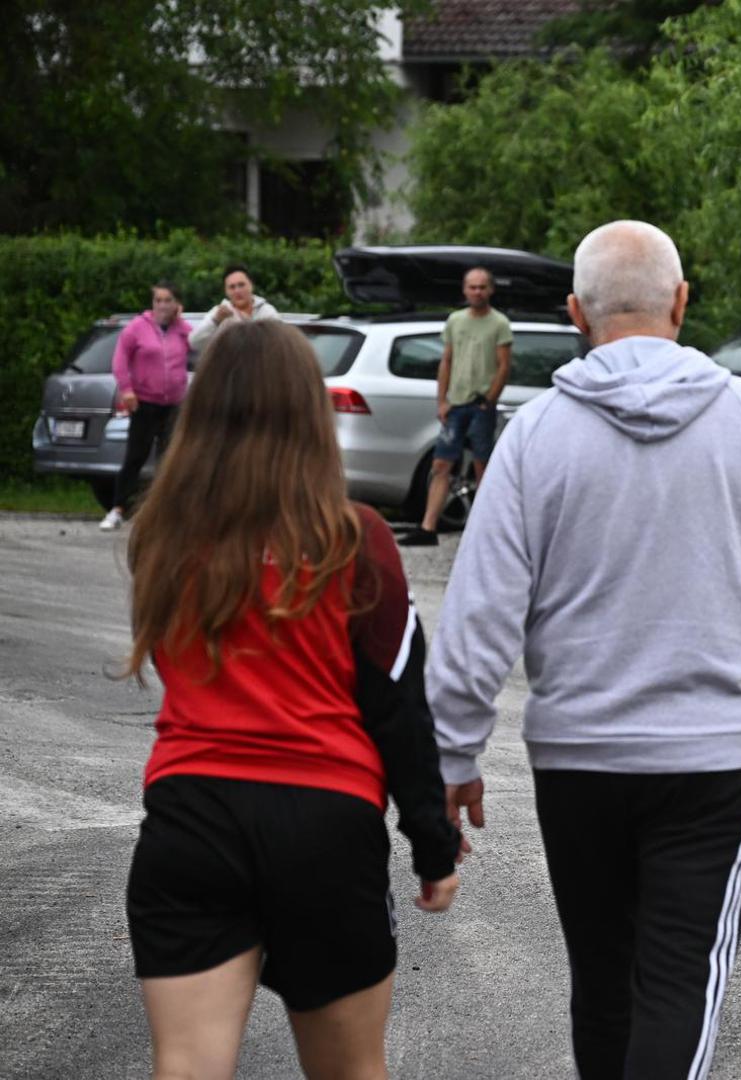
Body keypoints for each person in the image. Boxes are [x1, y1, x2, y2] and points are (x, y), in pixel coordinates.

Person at [428, 221, 741, 1079]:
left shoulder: (534, 436)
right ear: (681, 301)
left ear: (573, 313)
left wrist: (453, 754)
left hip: (576, 763)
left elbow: (479, 615)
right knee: (676, 990)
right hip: (713, 764)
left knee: (602, 986)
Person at [122, 320, 461, 1079]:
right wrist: (432, 844)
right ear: (311, 413)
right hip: (324, 826)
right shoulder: (356, 539)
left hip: (191, 814)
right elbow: (399, 709)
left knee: (186, 1067)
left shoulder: (164, 536)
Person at [398, 267, 512, 546]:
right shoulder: (455, 321)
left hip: (481, 404)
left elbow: (504, 365)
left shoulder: (499, 324)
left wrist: (490, 400)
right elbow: (446, 361)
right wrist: (442, 400)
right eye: (472, 287)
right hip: (456, 404)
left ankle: (482, 530)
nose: (477, 292)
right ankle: (428, 527)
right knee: (441, 464)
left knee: (481, 466)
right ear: (464, 290)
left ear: (491, 290)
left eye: (482, 287)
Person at [100, 282, 191, 531]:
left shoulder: (181, 329)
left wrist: (181, 322)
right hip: (145, 403)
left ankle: (165, 511)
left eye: (168, 300)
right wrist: (127, 389)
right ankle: (117, 509)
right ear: (153, 304)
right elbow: (119, 359)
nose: (162, 305)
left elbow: (197, 343)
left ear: (176, 305)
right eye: (158, 300)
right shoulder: (137, 328)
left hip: (173, 405)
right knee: (135, 457)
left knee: (170, 459)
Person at [187, 263, 280, 351]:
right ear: (226, 291)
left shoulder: (267, 312)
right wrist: (215, 321)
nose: (237, 291)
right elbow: (194, 343)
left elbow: (279, 343)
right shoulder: (218, 313)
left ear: (251, 285)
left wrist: (247, 324)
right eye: (232, 287)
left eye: (241, 285)